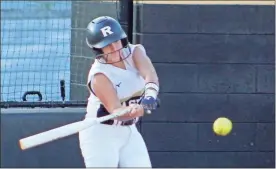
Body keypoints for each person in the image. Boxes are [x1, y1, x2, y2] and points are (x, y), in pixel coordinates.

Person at [78, 16, 160, 168]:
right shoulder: (99, 76)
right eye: (107, 45)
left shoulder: (135, 52)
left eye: (116, 41)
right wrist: (135, 110)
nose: (114, 48)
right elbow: (116, 110)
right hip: (100, 135)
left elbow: (151, 76)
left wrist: (150, 96)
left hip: (129, 131)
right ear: (98, 49)